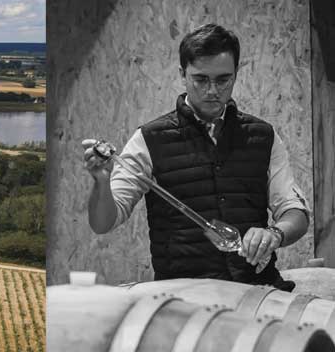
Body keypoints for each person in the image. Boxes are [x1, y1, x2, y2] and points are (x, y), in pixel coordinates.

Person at [81, 23, 310, 288]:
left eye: (223, 80)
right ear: (182, 74)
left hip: (256, 289)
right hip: (182, 299)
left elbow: (296, 213)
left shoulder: (263, 136)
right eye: (201, 79)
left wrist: (274, 234)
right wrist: (100, 182)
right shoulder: (148, 140)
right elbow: (102, 223)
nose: (212, 91)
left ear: (236, 74)